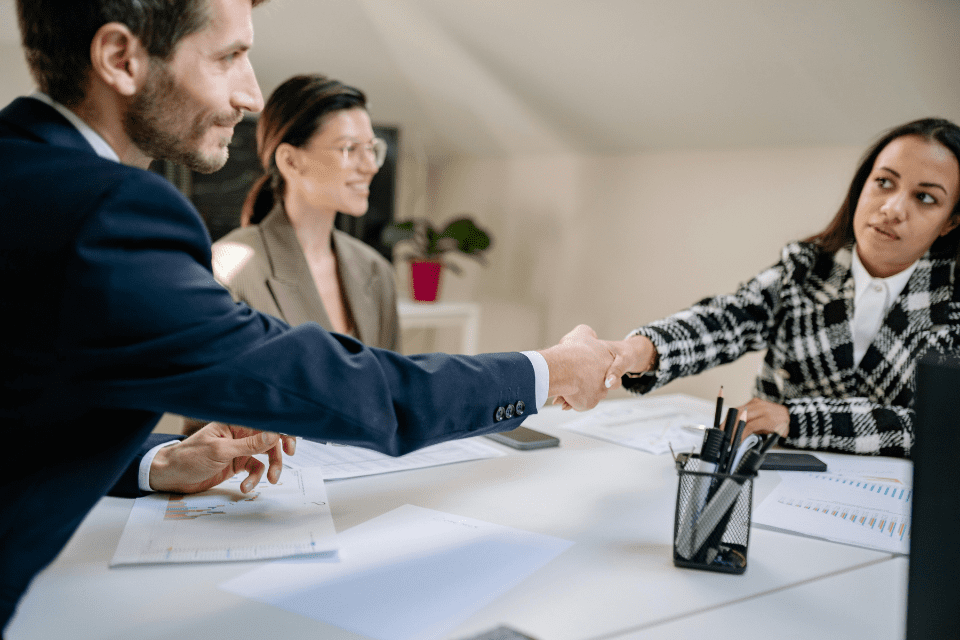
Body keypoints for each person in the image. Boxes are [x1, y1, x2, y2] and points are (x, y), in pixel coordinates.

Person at [0, 0, 614, 632]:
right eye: (229, 56)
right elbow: (351, 385)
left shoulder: (23, 171)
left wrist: (157, 463)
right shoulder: (110, 217)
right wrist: (551, 370)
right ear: (121, 59)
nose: (251, 93)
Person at [601, 117, 960, 458]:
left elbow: (939, 428)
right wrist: (640, 350)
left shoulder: (951, 305)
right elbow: (729, 319)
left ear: (950, 222)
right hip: (769, 475)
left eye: (925, 198)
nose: (893, 208)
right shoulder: (804, 269)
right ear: (863, 184)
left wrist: (794, 419)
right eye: (884, 182)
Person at [182, 73, 400, 436]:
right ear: (291, 161)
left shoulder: (376, 270)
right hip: (265, 479)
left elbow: (393, 395)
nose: (371, 165)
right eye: (349, 149)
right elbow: (204, 424)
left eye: (372, 148)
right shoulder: (229, 265)